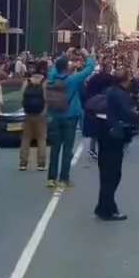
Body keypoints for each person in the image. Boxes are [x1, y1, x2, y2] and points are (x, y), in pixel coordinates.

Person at [45, 50, 96, 191]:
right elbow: (90, 68)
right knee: (67, 149)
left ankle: (51, 178)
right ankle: (63, 179)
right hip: (70, 117)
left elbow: (55, 68)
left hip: (55, 116)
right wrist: (87, 55)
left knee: (55, 148)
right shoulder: (72, 80)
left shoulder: (51, 79)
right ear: (67, 68)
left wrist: (65, 55)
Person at [95, 66, 139, 221]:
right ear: (125, 81)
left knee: (106, 173)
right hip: (114, 136)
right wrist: (136, 115)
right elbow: (128, 114)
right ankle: (107, 209)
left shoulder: (108, 91)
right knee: (113, 174)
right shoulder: (121, 95)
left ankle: (104, 206)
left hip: (104, 134)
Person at [84, 57, 116, 160]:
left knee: (95, 128)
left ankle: (92, 149)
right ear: (108, 68)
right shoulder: (111, 79)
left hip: (93, 105)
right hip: (105, 106)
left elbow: (87, 89)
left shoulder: (94, 78)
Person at [19, 61, 48, 172]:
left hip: (28, 113)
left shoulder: (27, 82)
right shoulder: (44, 83)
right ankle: (41, 164)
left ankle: (23, 163)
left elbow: (21, 97)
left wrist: (25, 109)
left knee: (26, 138)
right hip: (40, 114)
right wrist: (44, 111)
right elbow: (46, 99)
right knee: (41, 138)